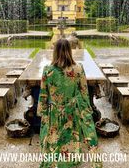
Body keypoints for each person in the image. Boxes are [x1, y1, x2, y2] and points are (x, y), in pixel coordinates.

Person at [37, 39, 99, 168]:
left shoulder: (48, 70)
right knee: (70, 139)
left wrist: (42, 113)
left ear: (55, 52)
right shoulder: (78, 69)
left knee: (55, 139)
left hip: (54, 111)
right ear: (70, 51)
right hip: (72, 111)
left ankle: (56, 163)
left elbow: (43, 94)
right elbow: (84, 92)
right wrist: (86, 111)